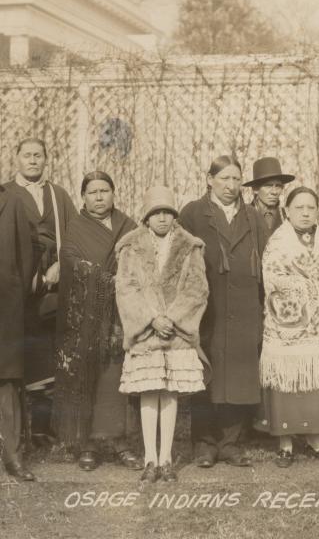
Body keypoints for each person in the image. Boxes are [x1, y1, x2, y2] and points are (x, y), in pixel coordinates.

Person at [116, 187, 208, 483]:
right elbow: (126, 289)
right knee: (149, 391)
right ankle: (149, 458)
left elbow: (197, 289)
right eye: (156, 213)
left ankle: (166, 458)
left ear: (174, 216)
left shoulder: (190, 247)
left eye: (167, 212)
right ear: (146, 217)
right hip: (146, 334)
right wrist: (151, 319)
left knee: (169, 391)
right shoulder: (131, 247)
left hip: (176, 332)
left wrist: (172, 318)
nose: (162, 218)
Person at [179, 156, 267, 468]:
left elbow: (265, 263)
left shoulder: (253, 217)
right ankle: (203, 443)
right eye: (224, 179)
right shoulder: (193, 213)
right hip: (208, 309)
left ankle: (231, 443)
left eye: (235, 179)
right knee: (207, 374)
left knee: (240, 376)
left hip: (244, 309)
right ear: (210, 179)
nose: (231, 186)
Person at [257, 187, 319, 468]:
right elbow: (272, 278)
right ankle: (285, 445)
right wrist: (309, 287)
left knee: (317, 382)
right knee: (287, 382)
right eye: (299, 207)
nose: (306, 212)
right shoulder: (278, 242)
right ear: (287, 211)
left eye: (311, 207)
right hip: (288, 326)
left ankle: (316, 442)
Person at [53, 171, 141, 472]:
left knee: (117, 378)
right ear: (84, 197)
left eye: (105, 190)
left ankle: (121, 443)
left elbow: (140, 260)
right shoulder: (75, 228)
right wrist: (104, 279)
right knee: (88, 376)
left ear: (114, 193)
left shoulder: (128, 226)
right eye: (93, 192)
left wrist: (124, 280)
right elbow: (71, 261)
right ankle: (87, 444)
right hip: (87, 321)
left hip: (121, 318)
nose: (100, 197)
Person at [4, 138, 78, 439]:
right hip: (16, 284)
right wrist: (27, 275)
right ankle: (16, 433)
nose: (33, 161)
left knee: (48, 353)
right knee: (17, 356)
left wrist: (62, 264)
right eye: (27, 155)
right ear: (16, 159)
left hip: (54, 283)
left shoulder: (58, 195)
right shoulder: (6, 194)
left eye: (39, 156)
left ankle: (43, 430)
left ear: (46, 160)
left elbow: (74, 235)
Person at [0, 181, 37, 481]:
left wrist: (13, 293)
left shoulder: (11, 202)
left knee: (8, 383)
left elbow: (26, 256)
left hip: (5, 307)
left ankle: (12, 457)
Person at [245, 157, 295, 238]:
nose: (274, 192)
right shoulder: (244, 216)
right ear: (255, 189)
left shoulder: (288, 216)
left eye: (278, 186)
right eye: (268, 186)